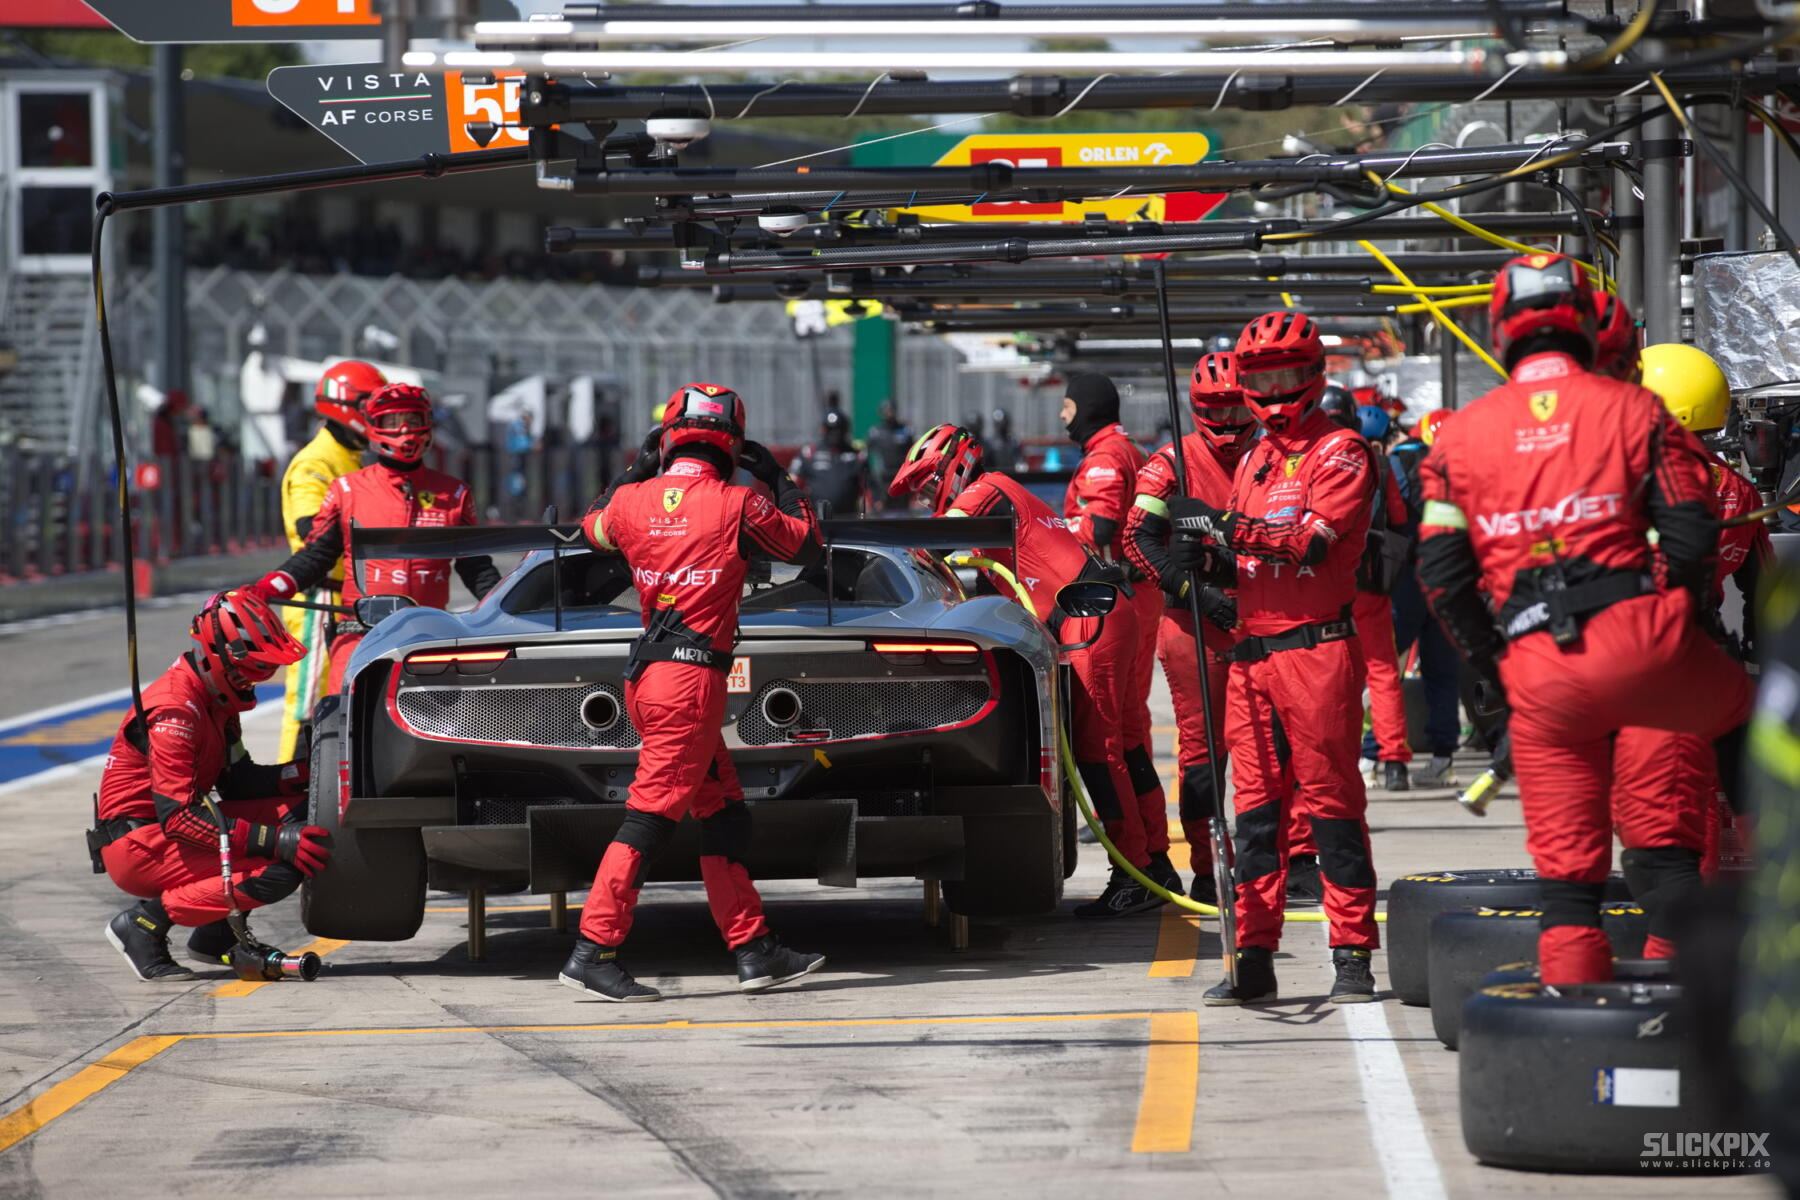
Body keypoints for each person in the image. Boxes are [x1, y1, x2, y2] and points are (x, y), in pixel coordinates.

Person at [1416, 253, 1754, 984]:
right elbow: (1692, 534)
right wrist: (1677, 625)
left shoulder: (1459, 437)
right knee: (1689, 821)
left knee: (1568, 893)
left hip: (1538, 664)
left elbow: (1441, 576)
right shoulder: (1637, 410)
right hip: (1646, 645)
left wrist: (1497, 666)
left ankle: (1569, 1031)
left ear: (1500, 329)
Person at [561, 384, 827, 1001]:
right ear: (733, 445)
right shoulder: (738, 502)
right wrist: (778, 476)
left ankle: (755, 950)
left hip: (648, 677)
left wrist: (635, 469)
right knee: (649, 820)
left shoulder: (630, 501)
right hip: (691, 685)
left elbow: (587, 531)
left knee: (725, 813)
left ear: (667, 439)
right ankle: (592, 950)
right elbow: (809, 546)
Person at [1168, 310, 1381, 1005]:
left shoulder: (1342, 450)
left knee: (1330, 805)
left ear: (1314, 374)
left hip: (1317, 651)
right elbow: (1246, 562)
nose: (1274, 392)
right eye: (1261, 380)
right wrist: (1206, 561)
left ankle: (1352, 953)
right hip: (1250, 658)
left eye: (1287, 375)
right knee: (1254, 814)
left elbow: (1312, 542)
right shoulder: (1256, 458)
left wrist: (1225, 528)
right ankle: (1253, 954)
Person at [888, 423, 1177, 914]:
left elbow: (931, 544)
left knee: (1098, 752)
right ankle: (1155, 861)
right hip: (1103, 611)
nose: (925, 497)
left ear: (953, 466)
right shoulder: (1002, 492)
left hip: (1087, 618)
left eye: (926, 483)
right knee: (1126, 746)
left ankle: (1135, 872)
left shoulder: (985, 490)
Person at [91, 591, 331, 981]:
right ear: (216, 657)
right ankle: (143, 924)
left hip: (173, 828)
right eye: (247, 672)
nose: (253, 682)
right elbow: (179, 819)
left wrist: (307, 773)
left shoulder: (217, 700)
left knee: (308, 813)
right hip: (140, 844)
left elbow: (240, 783)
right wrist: (276, 840)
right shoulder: (174, 712)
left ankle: (215, 936)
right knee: (280, 867)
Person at [1613, 341, 1770, 899]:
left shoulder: (1622, 482)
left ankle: (1675, 910)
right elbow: (1761, 591)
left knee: (1643, 802)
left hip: (1623, 656)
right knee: (1710, 786)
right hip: (1703, 653)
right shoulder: (1740, 492)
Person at [250, 383, 501, 690]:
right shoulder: (346, 490)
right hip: (360, 634)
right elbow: (316, 556)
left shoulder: (454, 493)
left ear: (428, 424)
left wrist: (511, 606)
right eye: (392, 421)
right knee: (341, 712)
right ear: (373, 426)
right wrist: (265, 589)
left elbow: (476, 567)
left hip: (431, 637)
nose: (404, 430)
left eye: (412, 419)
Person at [1124, 352, 1254, 903]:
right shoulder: (1171, 461)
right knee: (1203, 752)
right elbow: (1135, 539)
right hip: (1193, 624)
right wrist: (1195, 593)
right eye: (1215, 411)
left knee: (1270, 746)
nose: (1227, 424)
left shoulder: (1274, 456)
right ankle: (1208, 869)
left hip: (1265, 614)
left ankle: (1282, 860)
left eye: (1235, 410)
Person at [1060, 372, 1173, 895]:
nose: (1062, 417)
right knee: (1129, 734)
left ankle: (1135, 865)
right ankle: (1153, 853)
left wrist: (1044, 531)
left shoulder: (1107, 455)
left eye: (1066, 407)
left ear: (1085, 408)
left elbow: (1100, 526)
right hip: (1137, 598)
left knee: (1106, 738)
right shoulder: (1127, 449)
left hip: (1114, 602)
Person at [275, 359, 384, 760]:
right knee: (307, 703)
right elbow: (311, 530)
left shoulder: (348, 459)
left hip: (344, 597)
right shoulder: (315, 463)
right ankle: (291, 781)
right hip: (318, 598)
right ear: (347, 407)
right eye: (370, 408)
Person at [1376, 410, 1464, 786]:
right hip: (1446, 579)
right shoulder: (1458, 467)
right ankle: (1443, 760)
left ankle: (1378, 759)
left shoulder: (1394, 463)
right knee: (1442, 672)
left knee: (1384, 671)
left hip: (1404, 582)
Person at [1349, 403, 1416, 792]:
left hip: (1325, 585)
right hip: (1372, 580)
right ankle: (1393, 763)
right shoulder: (1383, 466)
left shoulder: (1316, 459)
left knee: (1333, 672)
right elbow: (1400, 519)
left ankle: (1342, 753)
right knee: (1383, 670)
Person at [789, 407, 872, 516]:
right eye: (831, 430)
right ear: (823, 430)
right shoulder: (809, 453)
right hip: (817, 518)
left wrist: (869, 512)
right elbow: (791, 487)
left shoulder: (857, 456)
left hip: (848, 518)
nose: (835, 434)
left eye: (838, 430)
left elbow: (868, 490)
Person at [865, 399, 914, 511]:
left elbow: (914, 452)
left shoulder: (905, 430)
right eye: (887, 411)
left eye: (891, 410)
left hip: (901, 477)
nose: (889, 413)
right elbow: (866, 454)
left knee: (903, 511)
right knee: (883, 510)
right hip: (883, 478)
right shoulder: (875, 432)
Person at [987, 407, 1028, 472]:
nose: (1002, 426)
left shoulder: (1013, 442)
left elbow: (1019, 461)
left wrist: (1021, 467)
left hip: (1012, 475)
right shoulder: (989, 443)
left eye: (1004, 424)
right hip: (995, 476)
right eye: (999, 424)